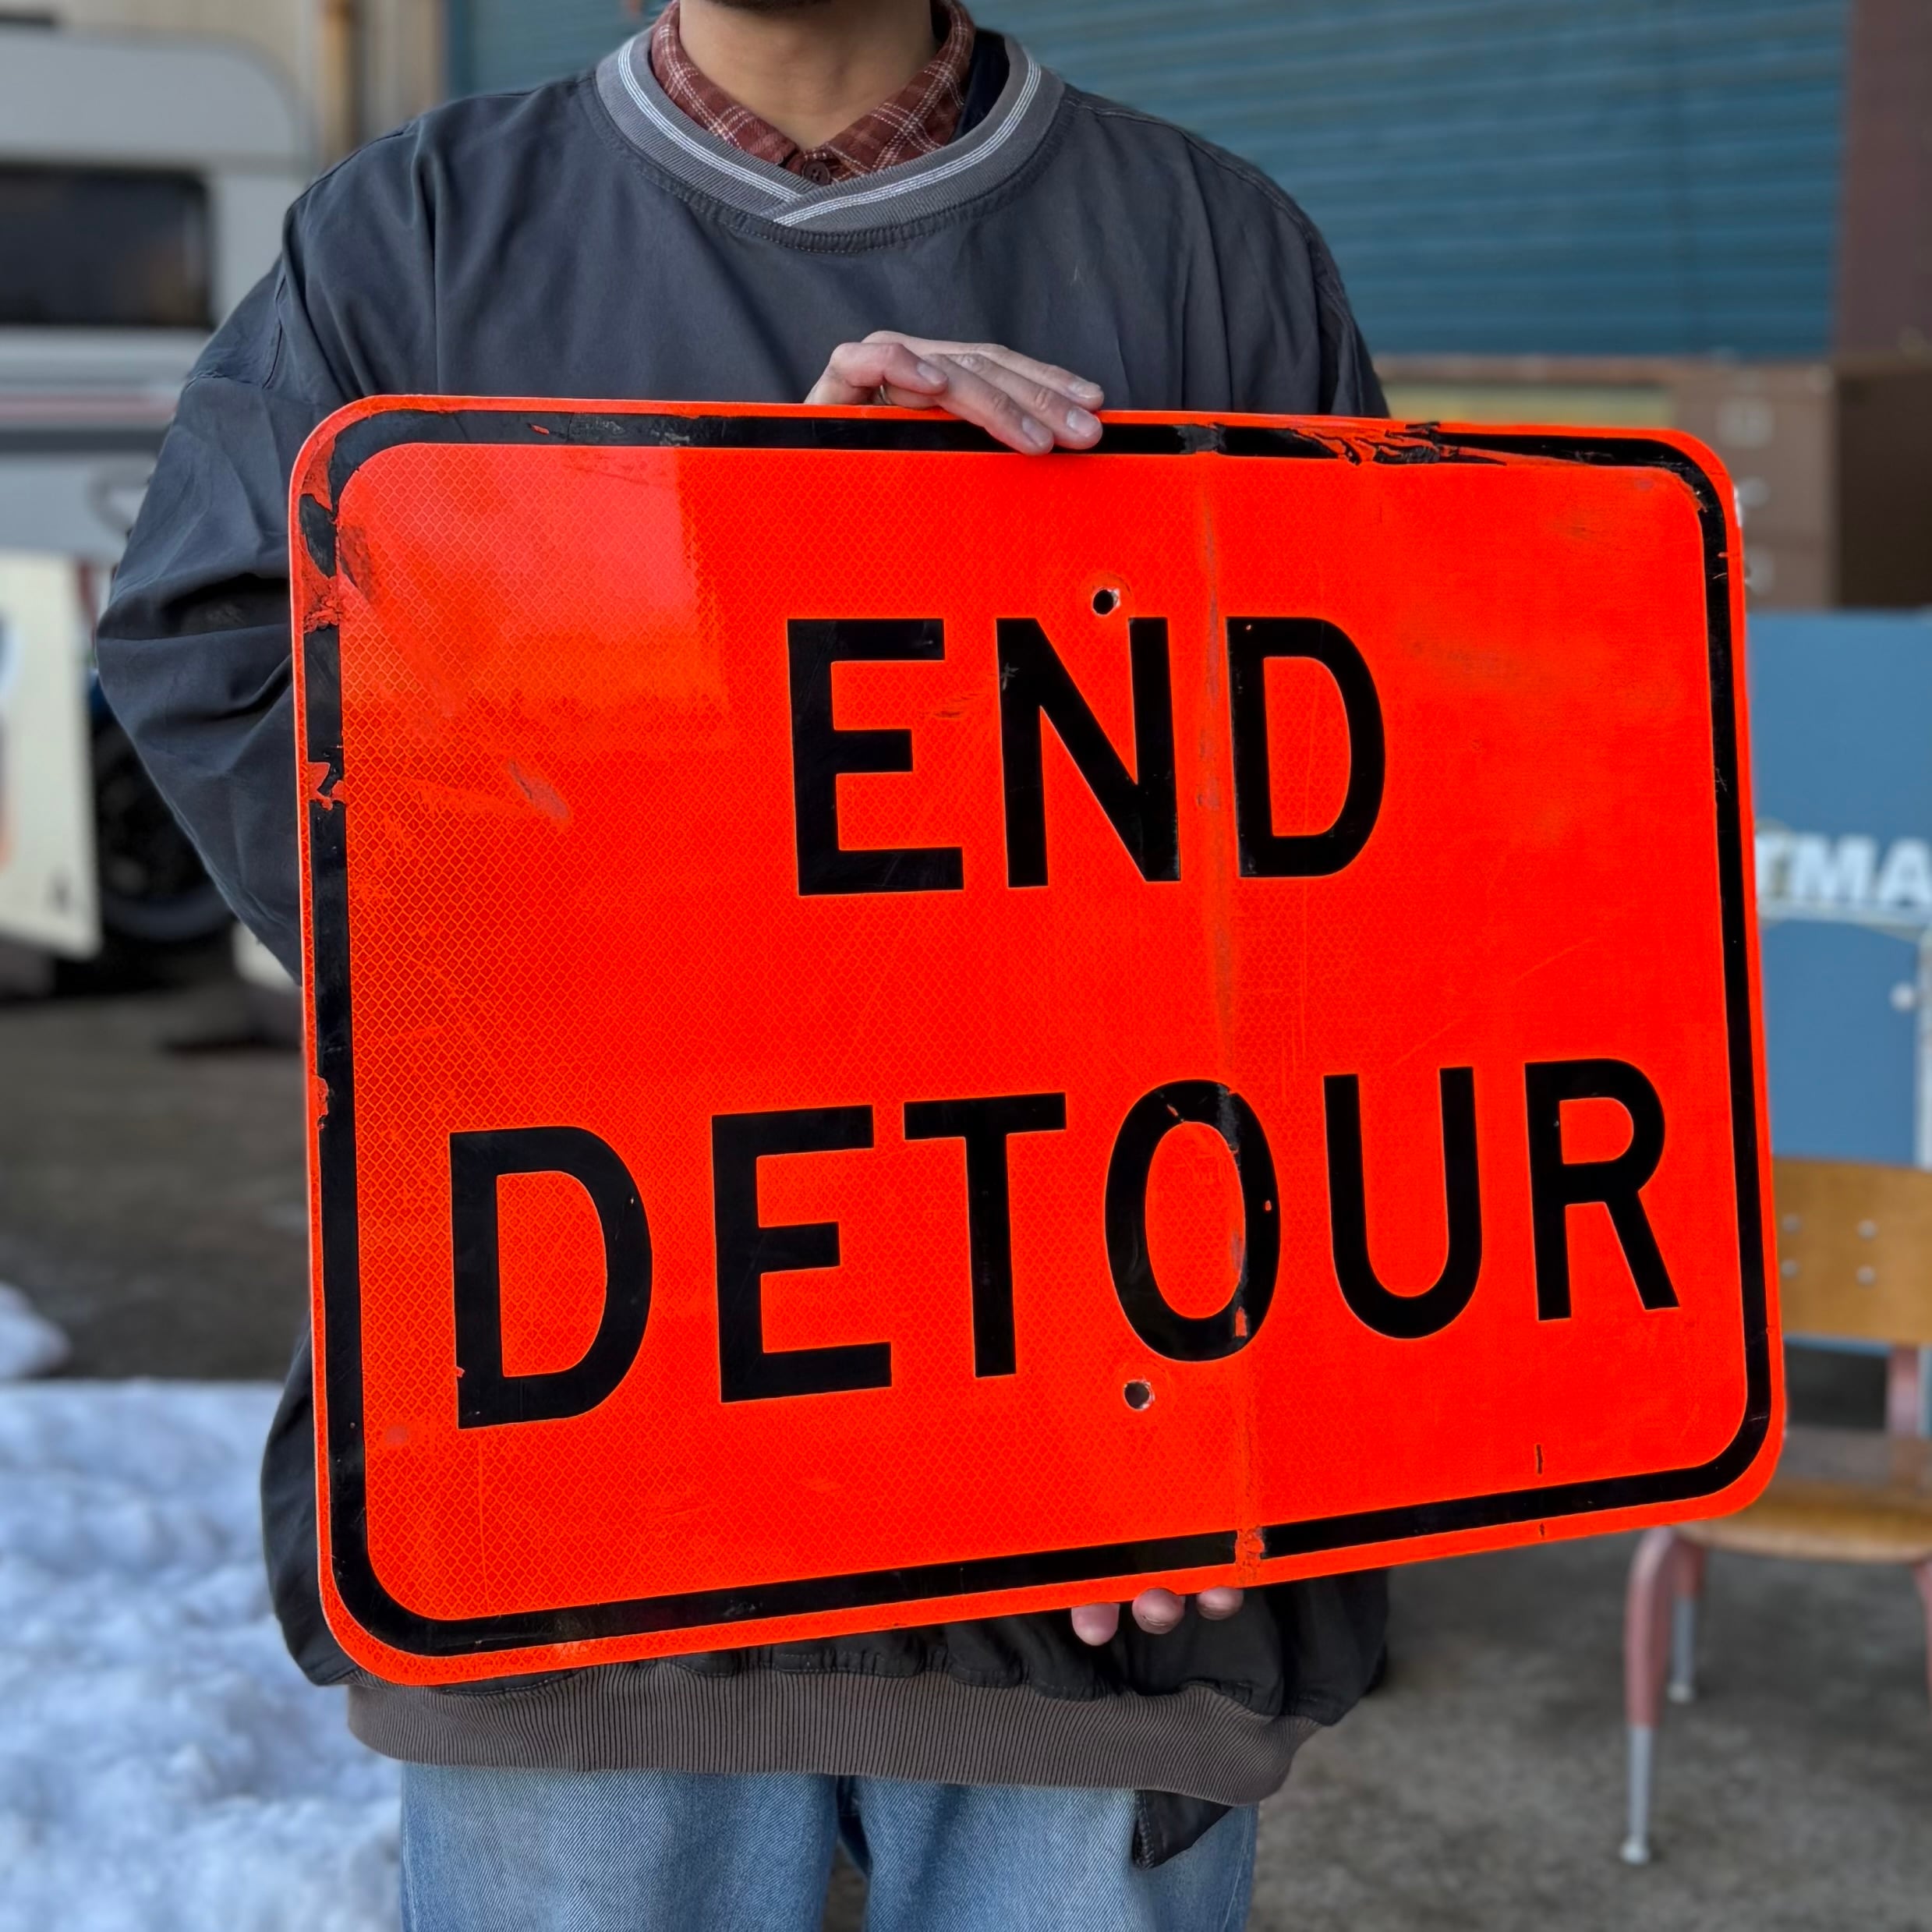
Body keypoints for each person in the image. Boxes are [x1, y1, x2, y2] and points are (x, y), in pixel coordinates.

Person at [97, 2, 1389, 1925]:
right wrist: (714, 570)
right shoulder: (411, 240)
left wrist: (1231, 1386)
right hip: (589, 1487)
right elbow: (227, 677)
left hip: (1093, 1517)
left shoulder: (1216, 250)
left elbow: (1381, 844)